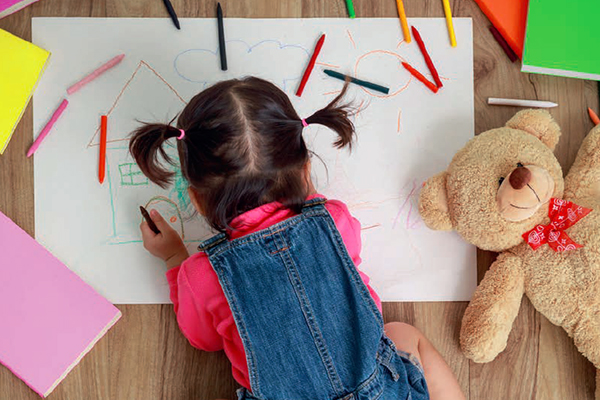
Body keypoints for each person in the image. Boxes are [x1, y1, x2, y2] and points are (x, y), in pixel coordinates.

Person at [130, 77, 465, 400]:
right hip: (377, 391)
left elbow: (204, 340)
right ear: (306, 171)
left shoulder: (201, 274)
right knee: (404, 334)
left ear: (197, 198)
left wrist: (174, 258)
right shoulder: (334, 220)